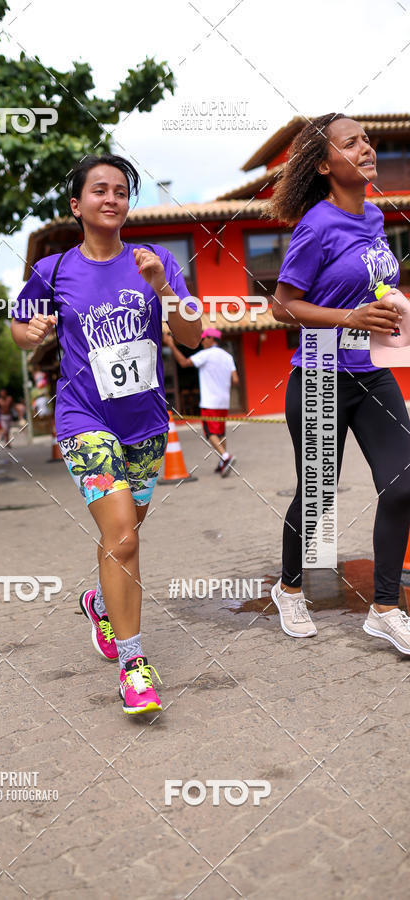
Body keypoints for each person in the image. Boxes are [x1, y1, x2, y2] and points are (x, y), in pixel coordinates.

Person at [11, 153, 201, 715]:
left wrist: (166, 287)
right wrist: (34, 327)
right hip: (83, 419)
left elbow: (189, 333)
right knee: (124, 536)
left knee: (125, 533)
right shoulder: (52, 271)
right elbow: (21, 331)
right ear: (77, 205)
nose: (112, 198)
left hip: (144, 423)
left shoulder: (156, 259)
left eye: (121, 190)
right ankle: (134, 664)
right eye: (99, 190)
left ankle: (98, 601)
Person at [269, 113, 410, 653]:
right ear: (326, 164)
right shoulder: (318, 224)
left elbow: (372, 285)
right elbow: (282, 305)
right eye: (352, 143)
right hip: (321, 373)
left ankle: (385, 606)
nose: (367, 147)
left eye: (367, 139)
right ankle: (290, 587)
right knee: (319, 498)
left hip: (373, 372)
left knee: (404, 482)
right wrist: (350, 317)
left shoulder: (375, 218)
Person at [165, 327, 239, 476]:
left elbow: (184, 363)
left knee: (210, 432)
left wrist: (171, 345)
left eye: (204, 338)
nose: (202, 341)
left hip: (209, 401)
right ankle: (222, 461)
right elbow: (235, 380)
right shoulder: (227, 356)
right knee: (220, 432)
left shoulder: (206, 354)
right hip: (223, 401)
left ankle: (225, 457)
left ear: (211, 339)